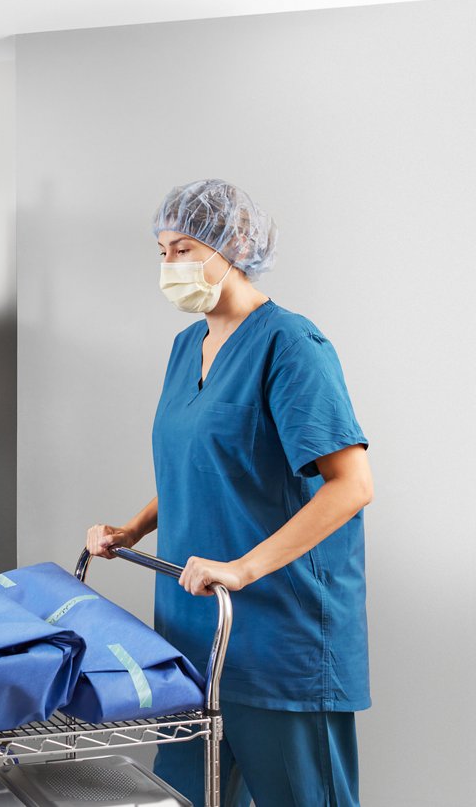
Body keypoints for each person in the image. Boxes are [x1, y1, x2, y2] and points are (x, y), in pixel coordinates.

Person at [86, 181, 372, 807]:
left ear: (234, 246)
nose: (170, 266)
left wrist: (242, 568)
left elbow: (351, 486)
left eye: (183, 248)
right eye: (162, 251)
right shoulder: (188, 345)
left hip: (278, 634)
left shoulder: (290, 345)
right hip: (195, 630)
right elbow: (207, 464)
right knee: (189, 796)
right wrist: (135, 527)